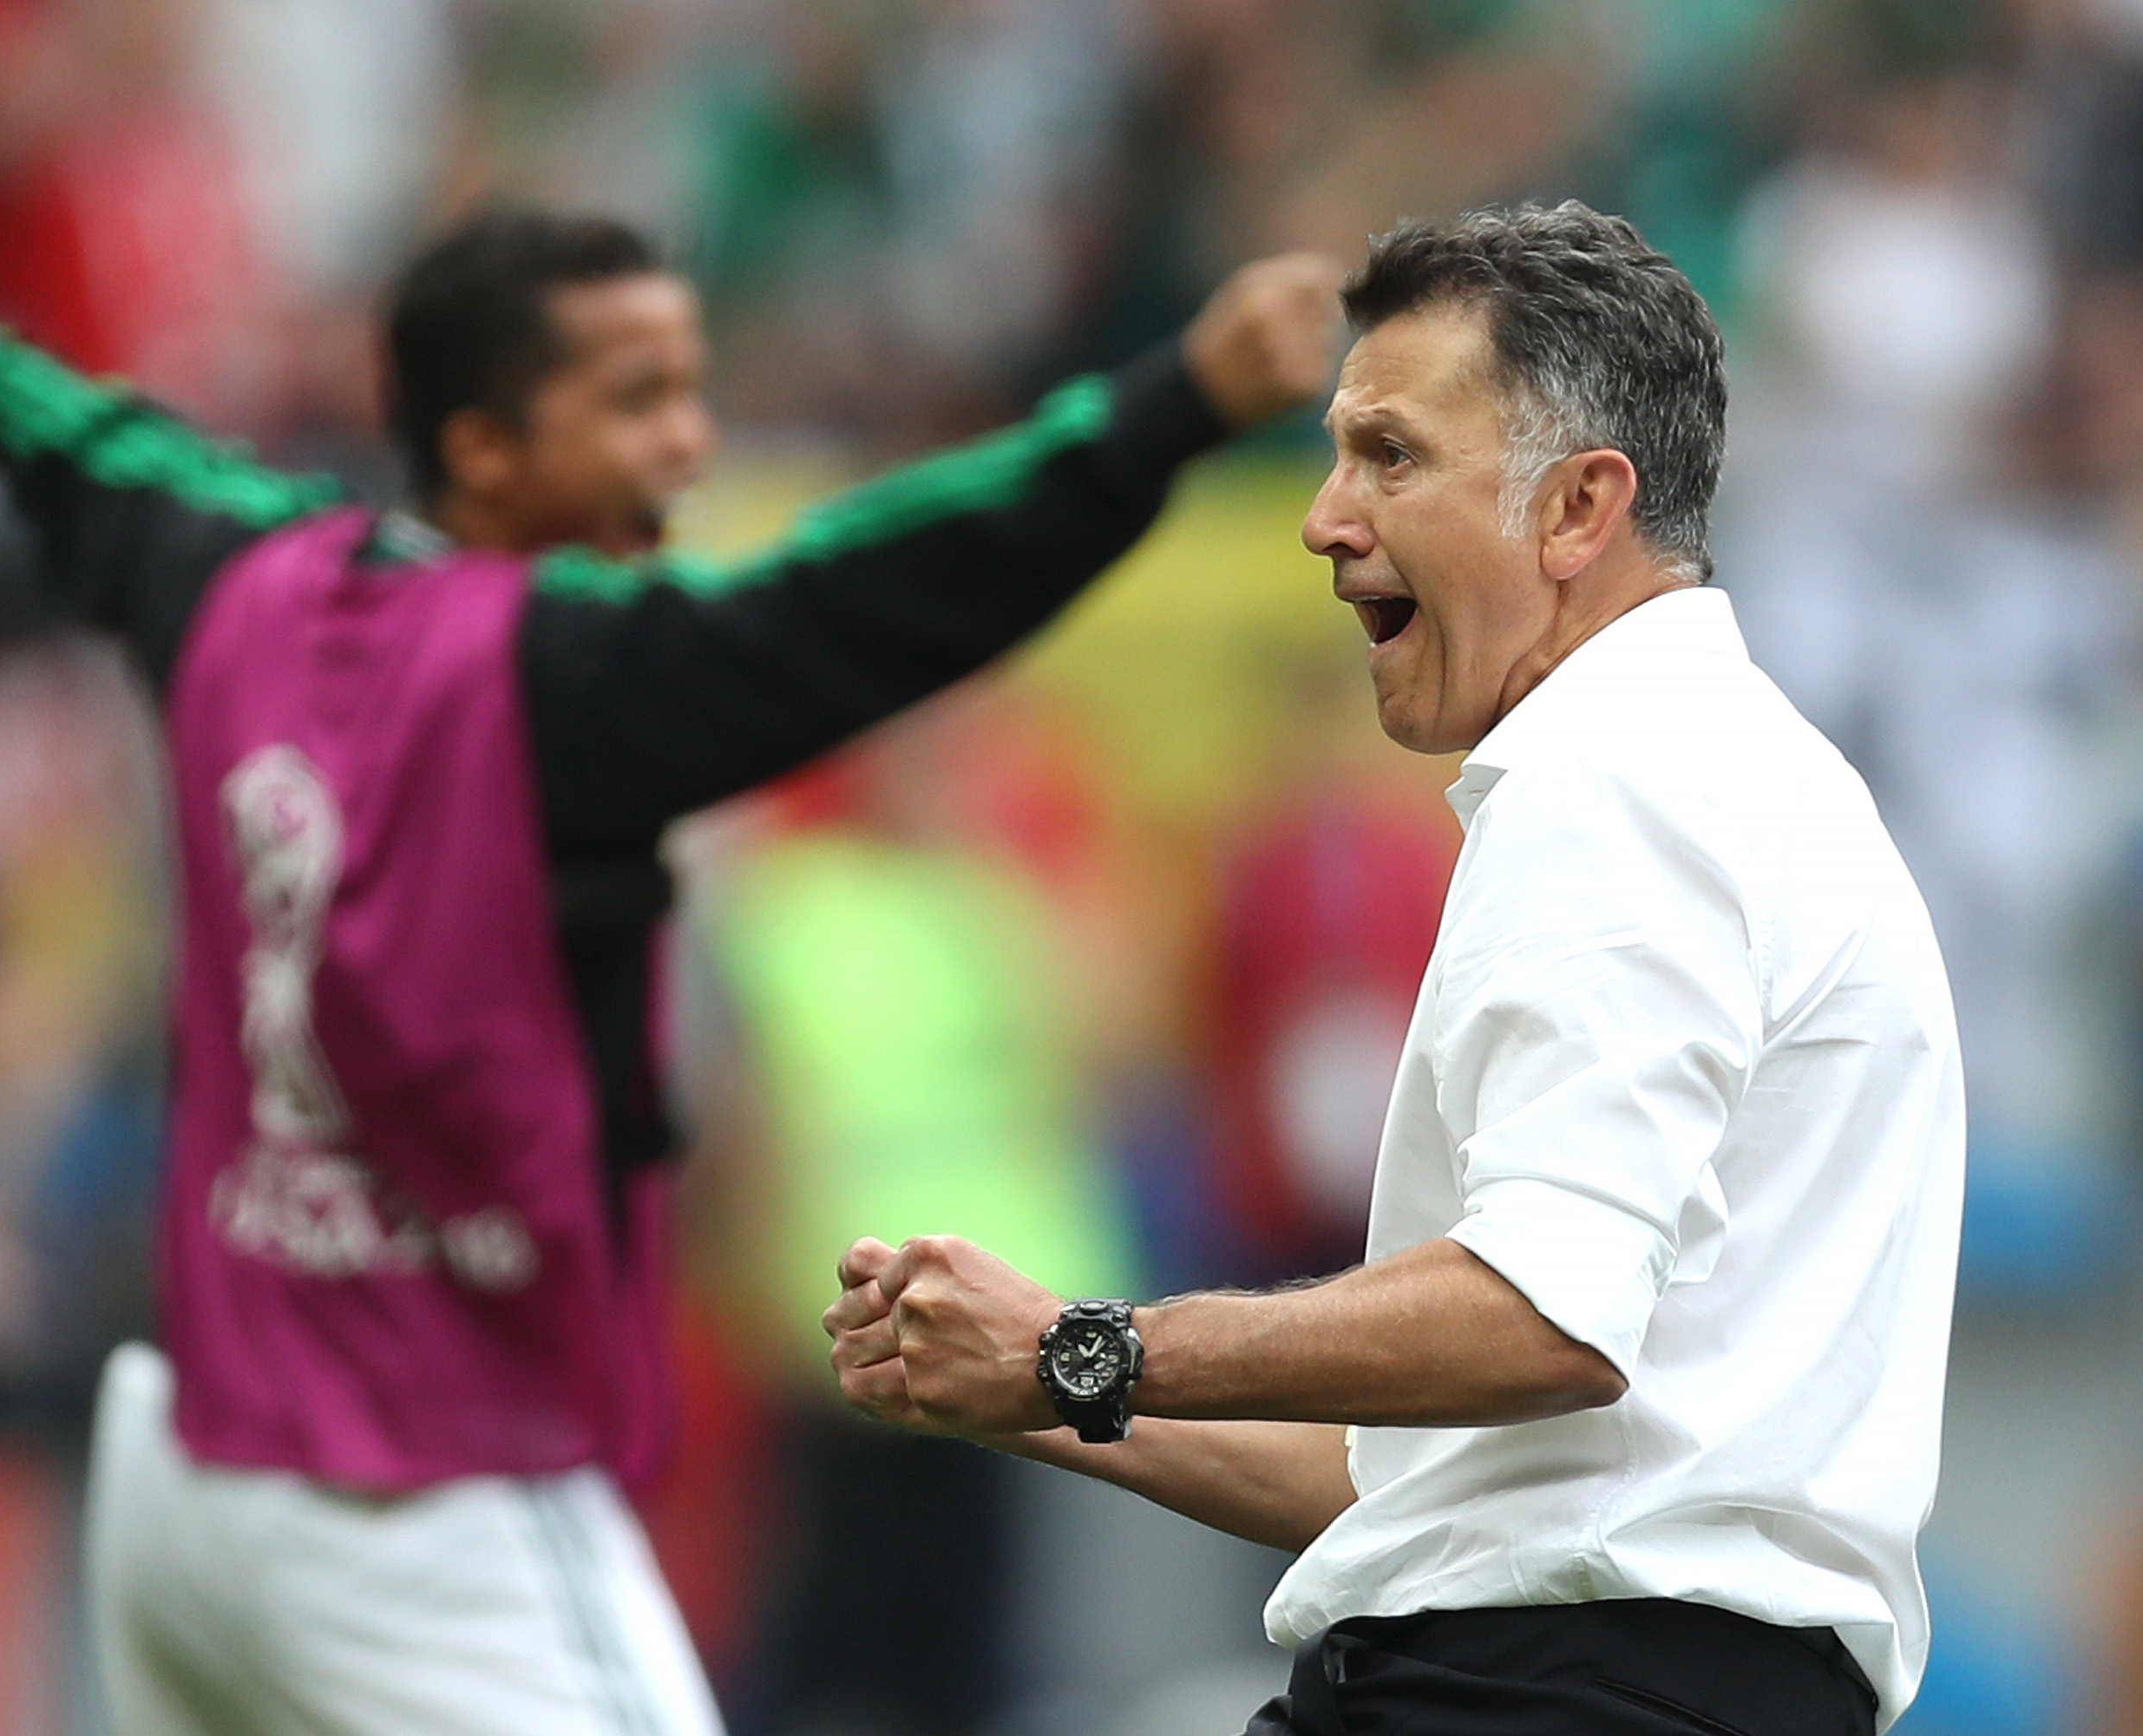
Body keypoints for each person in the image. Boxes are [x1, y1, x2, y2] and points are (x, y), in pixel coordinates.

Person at [0, 201, 1341, 1736]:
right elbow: (877, 590)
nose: (689, 445)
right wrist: (1173, 403)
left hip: (186, 1464)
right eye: (636, 400)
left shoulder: (221, 563)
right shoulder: (571, 687)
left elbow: (37, 416)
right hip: (425, 1489)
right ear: (480, 446)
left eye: (690, 390)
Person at [824, 202, 1964, 1736]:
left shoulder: (1615, 782)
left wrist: (1078, 1344)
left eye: (1391, 455)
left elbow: (1539, 1320)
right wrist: (1042, 1385)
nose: (1323, 517)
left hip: (1534, 1705)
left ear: (1579, 508)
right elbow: (1430, 1487)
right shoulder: (1734, 772)